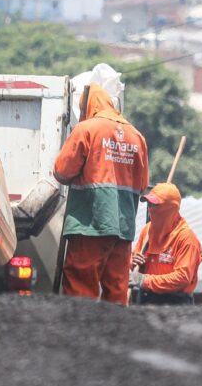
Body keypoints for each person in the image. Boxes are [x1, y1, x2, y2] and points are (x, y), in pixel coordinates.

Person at [52, 82, 149, 304]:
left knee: (80, 284)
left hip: (90, 224)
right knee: (116, 287)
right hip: (123, 228)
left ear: (88, 107)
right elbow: (142, 184)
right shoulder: (136, 136)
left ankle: (81, 333)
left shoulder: (86, 129)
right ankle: (113, 334)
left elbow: (62, 171)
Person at [130, 182, 202, 305]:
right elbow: (133, 265)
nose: (150, 209)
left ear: (169, 208)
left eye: (155, 205)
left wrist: (145, 280)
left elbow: (182, 278)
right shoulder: (147, 230)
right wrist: (133, 263)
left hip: (175, 304)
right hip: (146, 300)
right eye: (149, 204)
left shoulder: (186, 238)